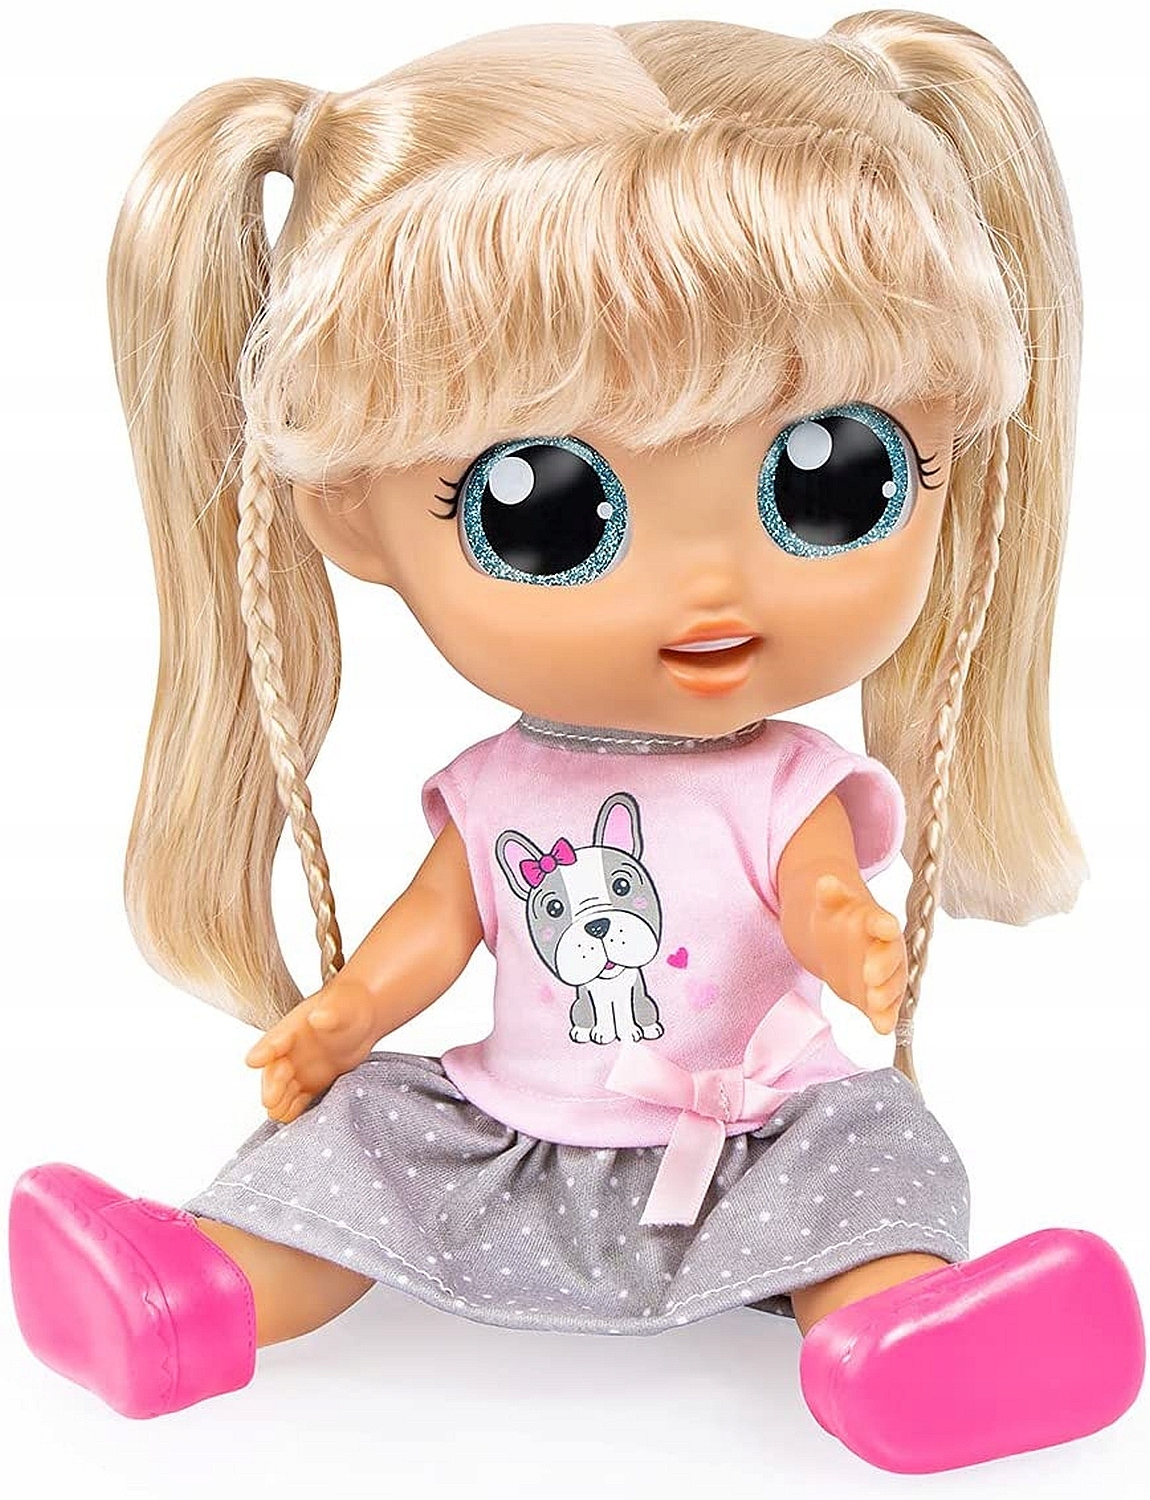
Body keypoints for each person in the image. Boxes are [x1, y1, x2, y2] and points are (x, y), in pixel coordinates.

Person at [9, 12, 1144, 1474]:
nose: (711, 587)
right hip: (508, 1118)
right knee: (357, 1143)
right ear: (353, 516)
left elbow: (807, 889)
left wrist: (851, 932)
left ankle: (899, 1346)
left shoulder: (782, 780)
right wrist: (349, 1016)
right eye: (544, 509)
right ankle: (198, 1296)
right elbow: (440, 924)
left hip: (755, 1127)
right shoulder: (500, 790)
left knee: (874, 1160)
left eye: (833, 480)